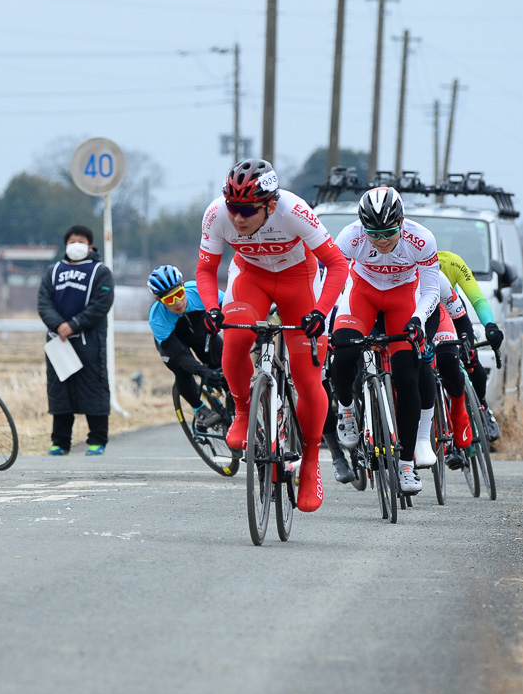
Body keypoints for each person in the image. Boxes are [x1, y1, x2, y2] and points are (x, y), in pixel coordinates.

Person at [196, 158, 350, 512]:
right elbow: (206, 270)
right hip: (251, 278)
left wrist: (320, 312)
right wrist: (211, 308)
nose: (237, 217)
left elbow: (338, 264)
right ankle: (241, 409)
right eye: (233, 207)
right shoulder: (216, 214)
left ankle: (310, 463)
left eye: (247, 209)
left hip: (299, 281)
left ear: (269, 204)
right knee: (235, 340)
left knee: (307, 378)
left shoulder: (294, 210)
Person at [329, 186, 465, 496]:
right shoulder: (350, 237)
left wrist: (417, 319)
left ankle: (407, 464)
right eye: (373, 233)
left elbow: (431, 290)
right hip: (362, 294)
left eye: (389, 232)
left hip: (404, 297)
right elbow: (333, 281)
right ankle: (348, 411)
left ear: (401, 222)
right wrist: (323, 322)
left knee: (407, 377)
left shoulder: (421, 238)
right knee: (343, 354)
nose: (381, 240)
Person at [38, 225, 114, 455]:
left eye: (80, 241)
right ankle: (60, 443)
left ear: (90, 246)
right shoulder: (53, 271)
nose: (75, 245)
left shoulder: (101, 271)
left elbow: (102, 303)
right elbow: (44, 302)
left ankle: (97, 440)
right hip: (58, 342)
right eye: (71, 241)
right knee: (60, 392)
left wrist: (74, 324)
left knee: (94, 390)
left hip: (89, 342)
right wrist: (59, 325)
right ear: (66, 245)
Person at [146, 265, 227, 429]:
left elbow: (231, 310)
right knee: (181, 369)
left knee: (224, 365)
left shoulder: (199, 291)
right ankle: (199, 409)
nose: (177, 303)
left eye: (179, 294)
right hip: (175, 343)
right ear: (159, 300)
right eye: (169, 299)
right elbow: (180, 355)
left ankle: (235, 406)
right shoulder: (157, 319)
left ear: (183, 286)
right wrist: (201, 371)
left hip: (200, 334)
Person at [438, 250, 505, 442]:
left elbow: (477, 299)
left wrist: (490, 325)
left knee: (470, 358)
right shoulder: (401, 266)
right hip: (422, 316)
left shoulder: (452, 262)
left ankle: (482, 406)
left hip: (453, 314)